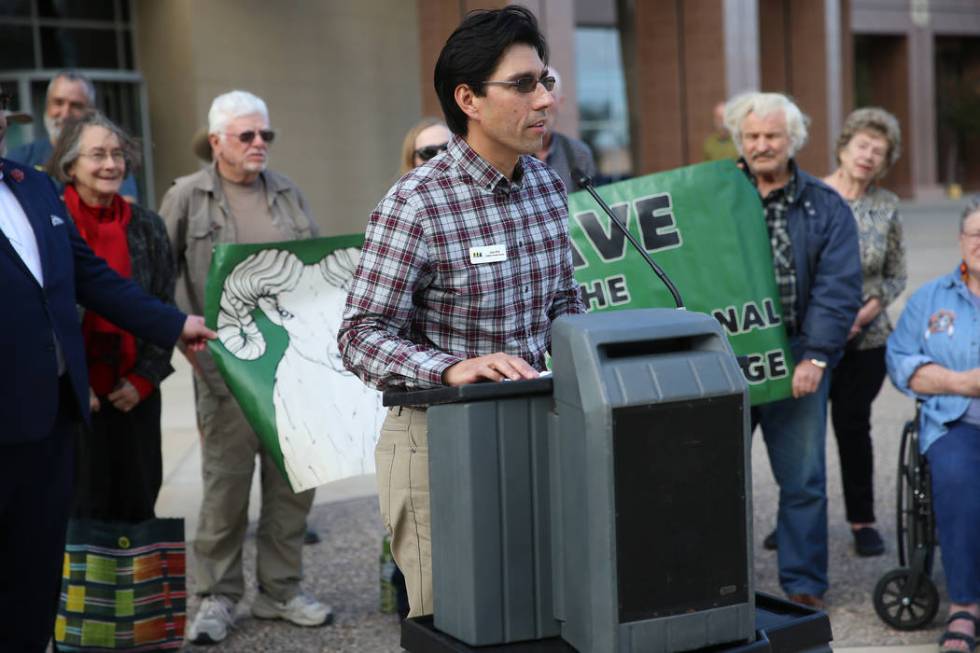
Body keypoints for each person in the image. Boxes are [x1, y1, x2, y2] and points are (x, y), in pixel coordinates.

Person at [339, 5, 585, 618]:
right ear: (469, 99)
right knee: (458, 620)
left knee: (536, 613)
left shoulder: (549, 187)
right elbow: (359, 336)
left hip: (539, 430)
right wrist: (451, 369)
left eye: (545, 81)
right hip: (438, 445)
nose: (545, 100)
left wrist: (601, 351)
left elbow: (563, 304)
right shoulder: (416, 203)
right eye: (523, 85)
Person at [0, 107, 213, 652]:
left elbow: (92, 278)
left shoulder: (34, 188)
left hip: (51, 421)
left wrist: (175, 323)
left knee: (36, 574)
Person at [161, 90, 332, 644]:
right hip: (226, 370)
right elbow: (160, 274)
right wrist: (183, 335)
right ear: (217, 142)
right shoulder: (187, 197)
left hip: (292, 367)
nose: (260, 144)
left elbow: (313, 268)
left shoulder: (287, 192)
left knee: (291, 486)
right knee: (226, 488)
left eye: (265, 135)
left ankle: (280, 592)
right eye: (247, 136)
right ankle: (216, 597)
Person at [724, 92, 862, 609]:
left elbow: (839, 286)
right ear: (741, 138)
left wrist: (817, 356)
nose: (761, 145)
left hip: (796, 361)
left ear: (793, 140)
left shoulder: (824, 205)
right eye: (753, 136)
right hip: (722, 362)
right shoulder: (713, 195)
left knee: (803, 480)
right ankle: (717, 583)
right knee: (712, 480)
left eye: (772, 136)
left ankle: (803, 585)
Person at [45, 112, 177, 523]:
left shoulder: (148, 226)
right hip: (72, 402)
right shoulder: (50, 223)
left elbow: (163, 307)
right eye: (97, 154)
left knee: (137, 508)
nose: (110, 164)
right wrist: (71, 384)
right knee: (77, 514)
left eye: (117, 154)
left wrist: (143, 380)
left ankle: (135, 591)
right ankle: (83, 592)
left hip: (134, 396)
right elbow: (43, 312)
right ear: (70, 164)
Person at [886, 197, 980, 653]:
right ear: (961, 240)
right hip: (955, 421)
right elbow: (902, 362)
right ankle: (965, 606)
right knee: (958, 477)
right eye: (975, 233)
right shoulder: (930, 299)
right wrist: (961, 382)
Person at [821, 107, 907, 557]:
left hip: (867, 340)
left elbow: (895, 275)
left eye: (879, 151)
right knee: (803, 429)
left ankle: (862, 520)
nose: (869, 156)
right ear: (843, 147)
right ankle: (800, 518)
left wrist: (865, 312)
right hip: (813, 337)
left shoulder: (887, 205)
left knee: (853, 426)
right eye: (863, 146)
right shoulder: (813, 195)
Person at [7, 71, 139, 202]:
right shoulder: (20, 157)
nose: (65, 114)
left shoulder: (109, 159)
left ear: (91, 111)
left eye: (76, 105)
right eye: (58, 102)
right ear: (47, 106)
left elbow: (126, 205)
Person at [532, 68, 597, 192]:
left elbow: (589, 207)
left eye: (550, 96)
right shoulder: (511, 156)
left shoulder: (578, 153)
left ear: (560, 103)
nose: (543, 105)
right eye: (536, 98)